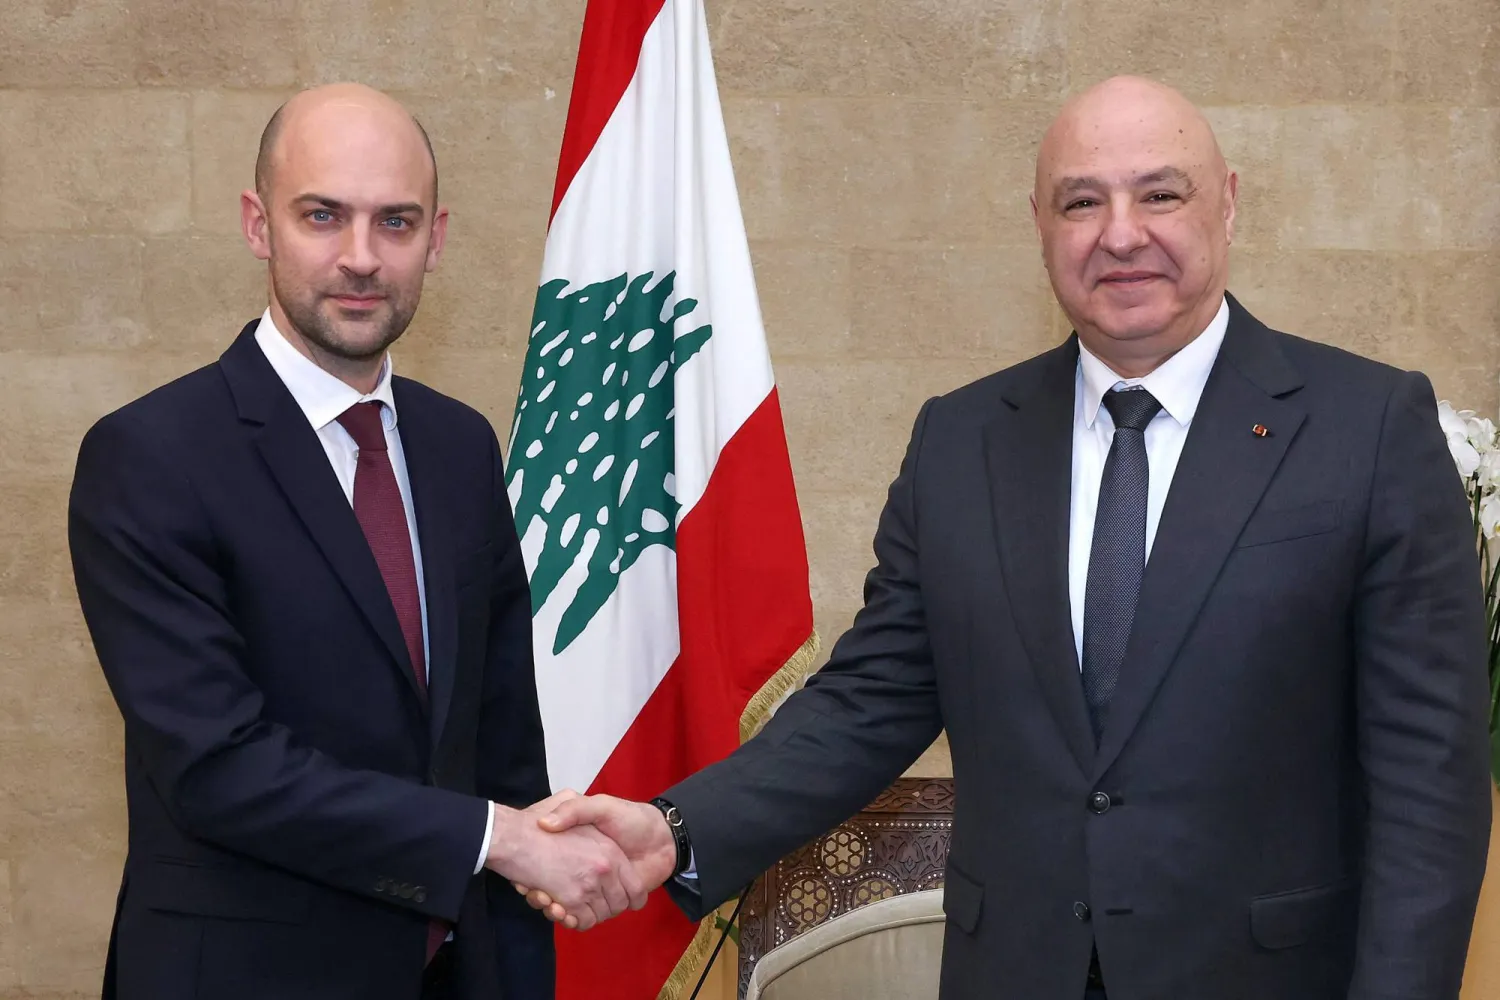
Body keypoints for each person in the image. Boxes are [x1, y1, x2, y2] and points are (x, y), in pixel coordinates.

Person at [520, 76, 1495, 999]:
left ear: (1227, 205)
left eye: (1160, 193)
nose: (1121, 235)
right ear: (1039, 225)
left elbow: (1431, 793)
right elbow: (867, 705)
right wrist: (671, 829)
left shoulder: (1365, 428)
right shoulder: (962, 439)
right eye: (1081, 202)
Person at [67, 83, 646, 1000]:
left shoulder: (459, 446)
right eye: (323, 216)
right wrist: (497, 837)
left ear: (437, 238)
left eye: (396, 222)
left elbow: (500, 745)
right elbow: (220, 768)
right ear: (259, 224)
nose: (361, 258)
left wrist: (529, 882)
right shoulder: (149, 457)